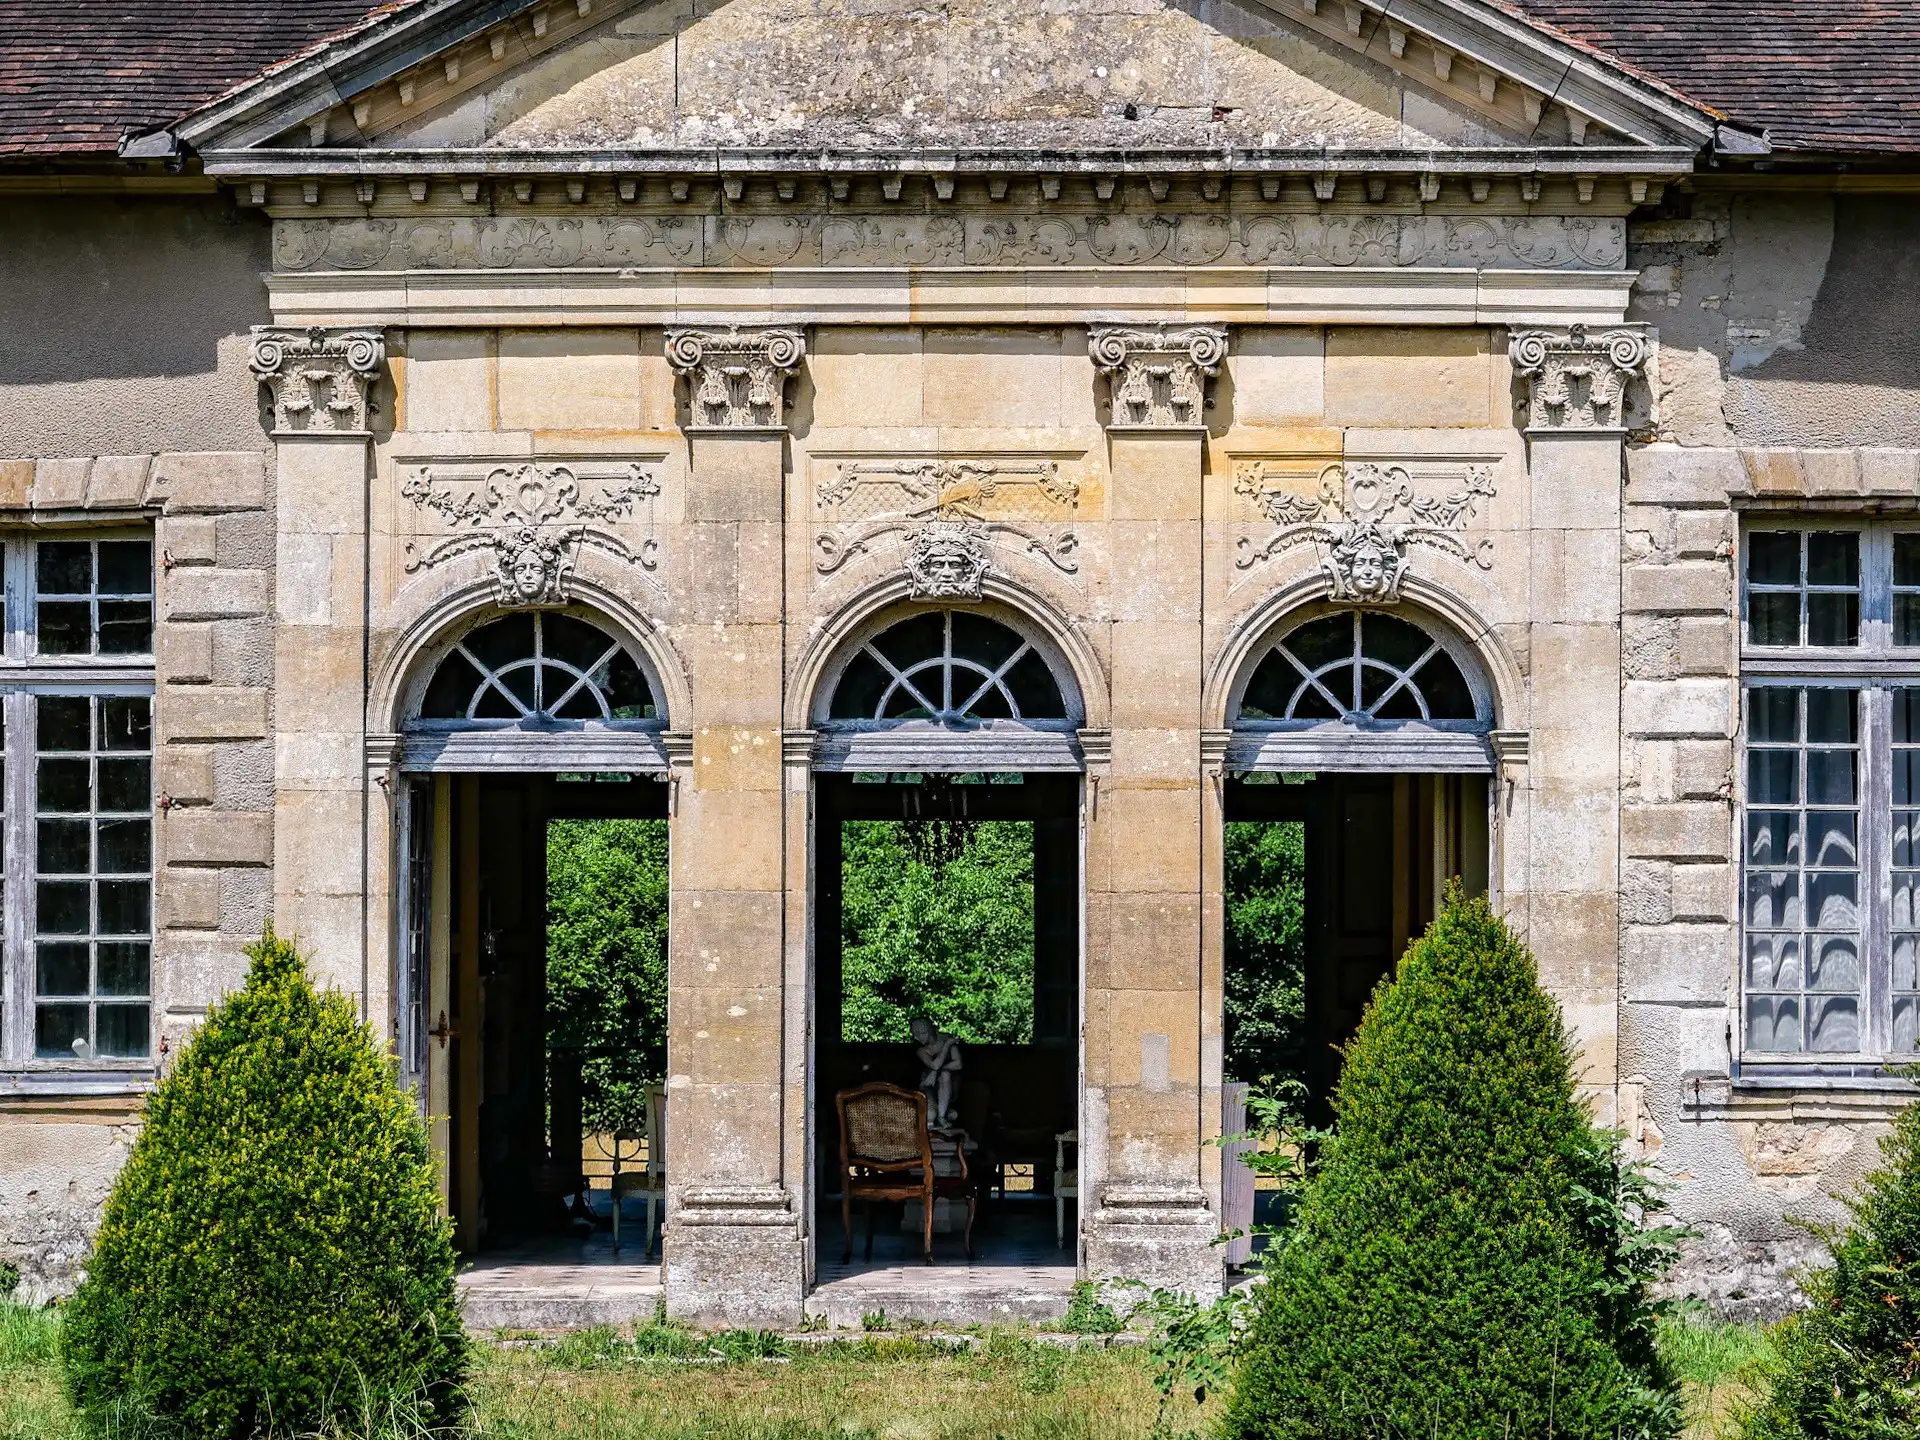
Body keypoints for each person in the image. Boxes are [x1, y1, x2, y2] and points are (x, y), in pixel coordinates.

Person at [910, 1017, 962, 1129]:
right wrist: (946, 1045)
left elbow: (958, 1064)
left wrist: (936, 1072)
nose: (915, 1037)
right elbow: (934, 1065)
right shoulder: (921, 1050)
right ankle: (942, 1112)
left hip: (949, 1086)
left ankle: (942, 1115)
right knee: (930, 1117)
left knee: (945, 1074)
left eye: (918, 1034)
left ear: (926, 1032)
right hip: (929, 1088)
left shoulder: (944, 1038)